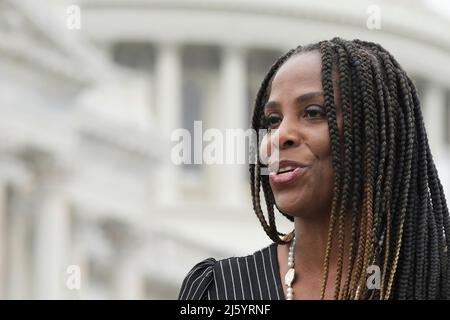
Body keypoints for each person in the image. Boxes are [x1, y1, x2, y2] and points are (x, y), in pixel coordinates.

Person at [177, 37, 450, 300]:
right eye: (273, 120)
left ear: (375, 137)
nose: (280, 136)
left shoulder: (434, 284)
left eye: (313, 113)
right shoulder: (221, 291)